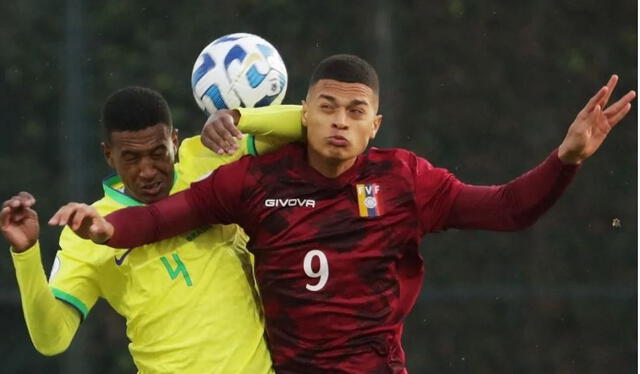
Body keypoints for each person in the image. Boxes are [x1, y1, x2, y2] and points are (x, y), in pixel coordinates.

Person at [49, 55, 635, 373]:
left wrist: (565, 158)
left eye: (356, 111)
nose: (339, 120)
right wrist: (105, 228)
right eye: (325, 107)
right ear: (303, 114)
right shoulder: (256, 181)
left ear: (374, 125)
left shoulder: (403, 178)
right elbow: (162, 217)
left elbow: (509, 210)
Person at [0, 86, 303, 373]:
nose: (147, 171)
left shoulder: (208, 159)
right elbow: (51, 339)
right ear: (109, 155)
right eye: (131, 158)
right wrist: (26, 254)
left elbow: (310, 124)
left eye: (158, 153)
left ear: (174, 140)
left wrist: (240, 117)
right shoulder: (88, 227)